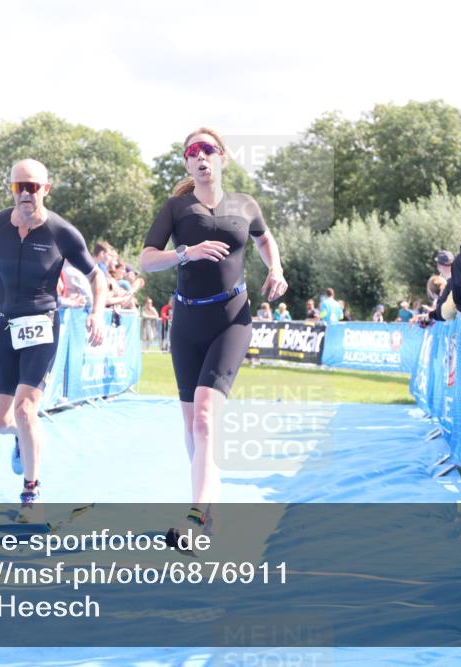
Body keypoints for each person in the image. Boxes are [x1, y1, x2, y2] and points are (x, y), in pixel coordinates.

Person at [139, 127, 287, 540]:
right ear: (186, 163)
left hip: (231, 320)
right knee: (192, 425)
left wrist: (275, 269)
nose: (201, 157)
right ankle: (208, 506)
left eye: (209, 150)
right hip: (186, 323)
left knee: (205, 417)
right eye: (193, 152)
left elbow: (265, 238)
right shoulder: (176, 208)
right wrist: (186, 252)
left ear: (222, 156)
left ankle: (195, 518)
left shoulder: (245, 204)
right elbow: (146, 260)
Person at [0, 158, 107, 521]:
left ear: (46, 189)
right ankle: (22, 438)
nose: (25, 193)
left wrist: (97, 312)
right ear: (11, 188)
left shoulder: (61, 231)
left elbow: (97, 277)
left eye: (33, 187)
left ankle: (31, 490)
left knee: (27, 408)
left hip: (41, 326)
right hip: (2, 324)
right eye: (18, 187)